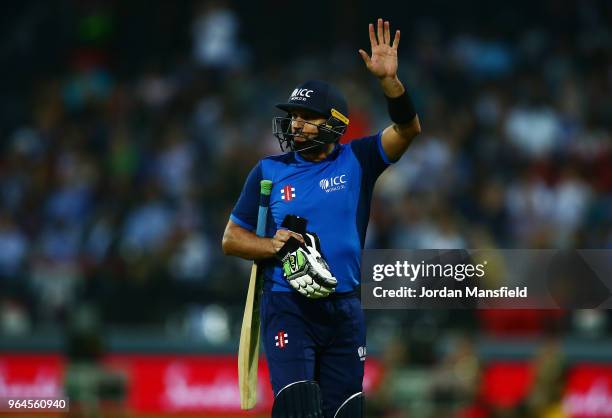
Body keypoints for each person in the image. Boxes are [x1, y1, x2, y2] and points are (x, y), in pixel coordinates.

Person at [222, 18, 421, 418]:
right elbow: (231, 238)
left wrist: (389, 82)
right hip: (288, 304)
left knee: (344, 412)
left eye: (306, 115)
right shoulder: (268, 171)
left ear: (334, 123)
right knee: (297, 408)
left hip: (345, 308)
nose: (295, 123)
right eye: (293, 115)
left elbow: (408, 128)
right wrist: (269, 244)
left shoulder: (359, 159)